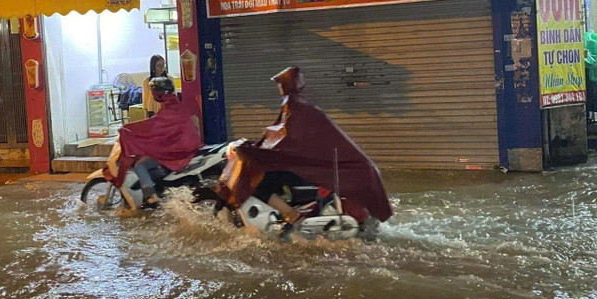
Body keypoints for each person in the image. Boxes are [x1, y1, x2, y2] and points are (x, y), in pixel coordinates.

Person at [218, 67, 393, 236]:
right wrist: (253, 146)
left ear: (288, 84)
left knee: (258, 183)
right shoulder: (297, 104)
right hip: (308, 165)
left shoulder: (297, 107)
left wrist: (253, 150)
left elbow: (286, 140)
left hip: (308, 168)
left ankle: (291, 215)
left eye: (280, 83)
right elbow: (279, 137)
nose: (278, 87)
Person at [107, 76, 201, 210]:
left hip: (176, 151)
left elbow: (153, 126)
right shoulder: (176, 105)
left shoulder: (168, 109)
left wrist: (128, 130)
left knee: (139, 165)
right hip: (187, 147)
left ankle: (152, 196)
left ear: (158, 93)